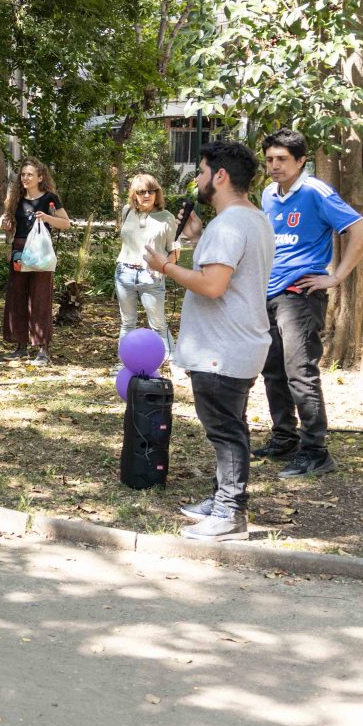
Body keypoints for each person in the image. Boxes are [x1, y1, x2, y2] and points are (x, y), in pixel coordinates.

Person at [144, 141, 274, 542]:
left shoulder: (230, 224)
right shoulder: (252, 219)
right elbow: (229, 273)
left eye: (201, 172)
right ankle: (223, 496)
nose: (197, 180)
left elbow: (214, 285)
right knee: (228, 425)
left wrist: (164, 265)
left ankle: (229, 513)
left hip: (222, 349)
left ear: (220, 176)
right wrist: (200, 235)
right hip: (238, 343)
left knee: (224, 431)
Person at [253, 128, 363, 478]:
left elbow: (361, 230)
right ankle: (284, 438)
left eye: (282, 160)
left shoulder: (316, 191)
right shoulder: (269, 195)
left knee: (300, 372)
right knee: (273, 369)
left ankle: (316, 451)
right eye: (270, 159)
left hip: (301, 296)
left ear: (301, 160)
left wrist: (335, 276)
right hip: (270, 294)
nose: (275, 165)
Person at [0, 157, 71, 365]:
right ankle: (20, 346)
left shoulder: (50, 198)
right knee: (17, 297)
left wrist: (47, 218)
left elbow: (66, 223)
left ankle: (43, 349)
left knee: (40, 298)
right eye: (23, 174)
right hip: (20, 250)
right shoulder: (16, 199)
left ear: (40, 177)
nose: (25, 178)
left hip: (40, 253)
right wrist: (6, 225)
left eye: (30, 174)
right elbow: (12, 226)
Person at [114, 173, 179, 362]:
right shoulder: (127, 211)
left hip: (151, 276)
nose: (146, 195)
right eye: (141, 191)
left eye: (151, 191)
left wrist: (162, 269)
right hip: (124, 274)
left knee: (158, 324)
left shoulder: (167, 217)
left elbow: (173, 252)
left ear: (157, 193)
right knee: (127, 323)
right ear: (134, 194)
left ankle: (173, 362)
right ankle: (124, 363)